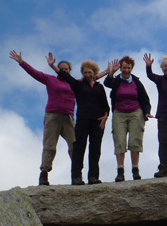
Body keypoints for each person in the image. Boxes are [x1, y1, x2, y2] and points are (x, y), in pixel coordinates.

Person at [9, 50, 75, 186]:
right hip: (52, 115)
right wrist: (21, 62)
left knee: (74, 145)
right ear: (58, 70)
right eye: (61, 69)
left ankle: (76, 174)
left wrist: (106, 72)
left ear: (70, 71)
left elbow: (91, 79)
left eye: (66, 69)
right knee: (49, 146)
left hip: (68, 117)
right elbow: (34, 73)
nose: (64, 71)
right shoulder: (50, 79)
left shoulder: (74, 83)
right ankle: (44, 173)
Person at [51, 54, 110, 185]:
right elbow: (66, 76)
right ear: (82, 73)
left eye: (90, 72)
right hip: (83, 121)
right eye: (85, 72)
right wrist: (53, 66)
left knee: (95, 149)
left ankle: (93, 177)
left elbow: (106, 105)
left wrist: (105, 117)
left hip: (98, 122)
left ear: (94, 73)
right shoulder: (77, 85)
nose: (87, 74)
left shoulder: (100, 87)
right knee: (79, 148)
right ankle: (76, 177)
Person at [104, 56, 152, 181]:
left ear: (132, 68)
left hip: (136, 113)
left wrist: (147, 112)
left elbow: (145, 99)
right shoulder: (116, 81)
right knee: (120, 141)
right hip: (119, 113)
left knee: (135, 141)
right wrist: (111, 73)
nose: (126, 70)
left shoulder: (136, 82)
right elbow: (107, 83)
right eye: (124, 68)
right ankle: (120, 171)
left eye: (128, 68)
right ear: (120, 68)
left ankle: (135, 170)